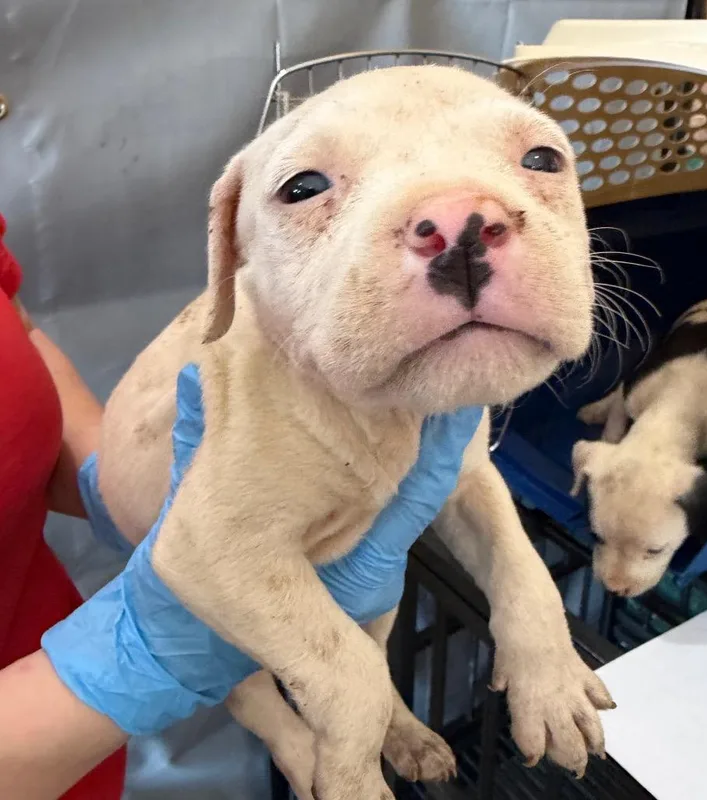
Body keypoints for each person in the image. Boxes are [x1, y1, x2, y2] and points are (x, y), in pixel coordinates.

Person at [0, 213, 483, 799]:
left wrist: (114, 482)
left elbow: (16, 332)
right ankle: (293, 738)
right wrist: (128, 661)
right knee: (234, 615)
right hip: (35, 745)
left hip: (78, 747)